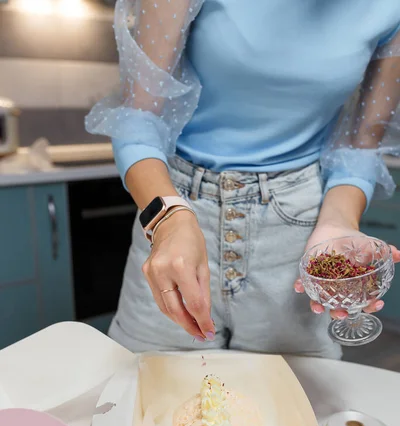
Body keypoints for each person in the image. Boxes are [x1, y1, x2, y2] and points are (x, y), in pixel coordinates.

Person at [86, 0, 400, 357]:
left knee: (292, 406)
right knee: (148, 396)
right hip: (178, 215)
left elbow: (360, 147)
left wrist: (338, 224)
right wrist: (168, 218)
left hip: (296, 233)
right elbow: (137, 119)